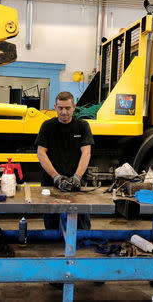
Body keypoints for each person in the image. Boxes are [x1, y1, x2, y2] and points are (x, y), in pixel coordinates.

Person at [35, 91, 94, 229]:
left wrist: (77, 177)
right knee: (51, 228)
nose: (64, 112)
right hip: (51, 184)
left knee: (82, 227)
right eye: (60, 108)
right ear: (55, 107)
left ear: (74, 107)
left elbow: (86, 152)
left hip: (76, 185)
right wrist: (56, 177)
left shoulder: (82, 126)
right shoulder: (47, 126)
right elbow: (41, 153)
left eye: (67, 108)